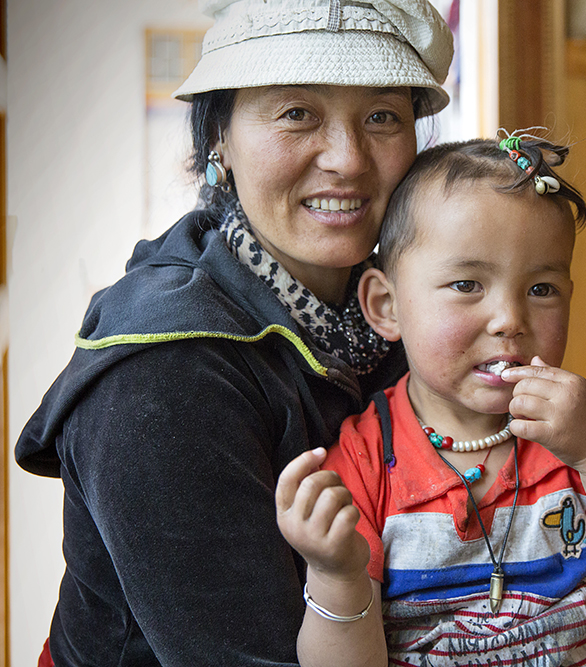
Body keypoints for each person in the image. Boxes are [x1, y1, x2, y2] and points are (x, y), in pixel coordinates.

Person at [14, 1, 454, 665]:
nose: (347, 157)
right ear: (219, 134)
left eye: (382, 115)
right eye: (297, 112)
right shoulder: (165, 373)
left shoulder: (407, 306)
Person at [275, 133, 586, 667]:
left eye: (541, 290)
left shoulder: (572, 435)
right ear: (387, 306)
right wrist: (337, 575)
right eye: (467, 284)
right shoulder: (364, 463)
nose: (510, 320)